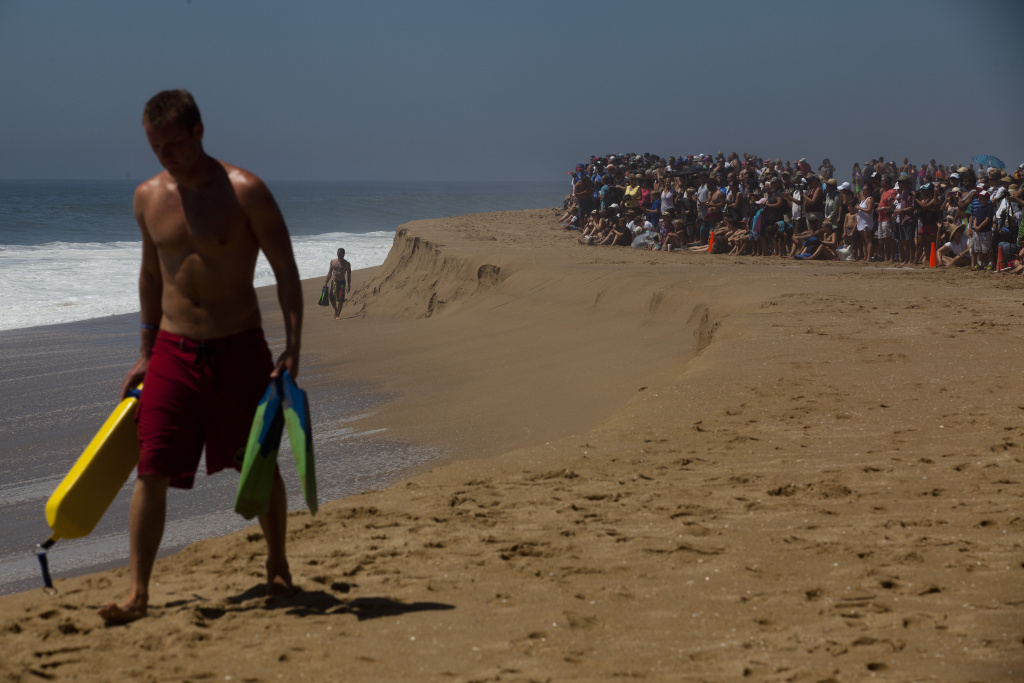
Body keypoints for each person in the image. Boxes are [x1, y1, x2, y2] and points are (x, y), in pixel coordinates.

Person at [98, 90, 303, 623]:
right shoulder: (147, 196)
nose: (165, 154)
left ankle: (277, 564)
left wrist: (293, 348)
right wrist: (144, 352)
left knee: (256, 463)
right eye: (154, 145)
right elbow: (149, 275)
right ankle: (137, 593)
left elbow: (285, 270)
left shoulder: (245, 192)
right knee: (152, 467)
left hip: (238, 348)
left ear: (199, 131)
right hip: (172, 349)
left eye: (173, 143)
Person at [323, 248, 352, 320]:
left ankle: (338, 314)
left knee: (341, 299)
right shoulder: (333, 261)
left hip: (342, 282)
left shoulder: (347, 264)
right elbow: (330, 273)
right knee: (332, 299)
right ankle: (336, 310)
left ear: (343, 254)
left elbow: (348, 275)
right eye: (337, 252)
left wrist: (348, 285)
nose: (338, 254)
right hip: (334, 282)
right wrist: (325, 282)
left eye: (339, 253)